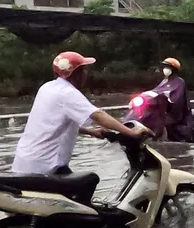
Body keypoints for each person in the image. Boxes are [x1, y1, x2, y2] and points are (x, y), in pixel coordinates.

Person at [12, 51, 147, 175]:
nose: (86, 73)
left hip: (25, 162)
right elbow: (98, 115)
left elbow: (53, 123)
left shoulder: (47, 88)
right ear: (75, 74)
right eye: (83, 70)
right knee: (90, 180)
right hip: (45, 168)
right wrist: (131, 133)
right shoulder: (68, 93)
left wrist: (90, 131)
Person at [153, 57, 194, 142]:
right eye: (164, 67)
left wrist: (168, 100)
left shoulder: (180, 82)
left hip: (177, 113)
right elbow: (155, 91)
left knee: (162, 121)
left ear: (174, 69)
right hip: (165, 110)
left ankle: (165, 141)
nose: (165, 69)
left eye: (168, 67)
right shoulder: (165, 81)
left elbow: (176, 99)